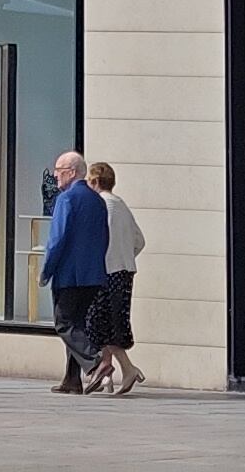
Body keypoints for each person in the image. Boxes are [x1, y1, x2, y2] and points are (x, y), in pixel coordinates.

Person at [41, 149, 110, 391]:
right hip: (93, 275)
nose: (56, 176)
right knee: (77, 324)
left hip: (70, 275)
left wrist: (47, 270)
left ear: (71, 173)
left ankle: (95, 361)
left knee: (64, 323)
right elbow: (105, 238)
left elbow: (57, 239)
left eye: (59, 172)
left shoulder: (67, 199)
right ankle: (72, 379)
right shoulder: (98, 200)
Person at [89, 158, 145, 394]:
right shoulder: (120, 204)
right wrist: (125, 255)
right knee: (111, 323)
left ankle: (122, 368)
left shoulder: (101, 205)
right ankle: (107, 373)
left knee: (99, 323)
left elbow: (98, 240)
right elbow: (139, 241)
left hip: (106, 271)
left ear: (94, 181)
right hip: (124, 270)